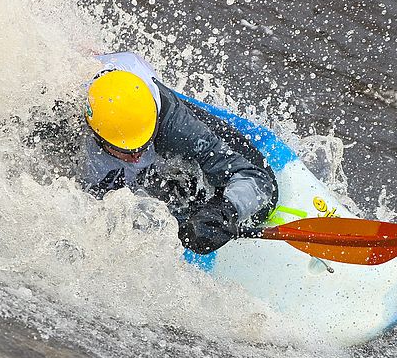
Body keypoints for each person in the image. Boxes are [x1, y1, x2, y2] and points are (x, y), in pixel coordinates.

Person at [80, 51, 277, 254]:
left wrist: (224, 210)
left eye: (143, 145)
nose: (136, 156)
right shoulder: (67, 115)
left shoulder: (176, 127)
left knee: (265, 202)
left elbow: (257, 179)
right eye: (127, 151)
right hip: (108, 126)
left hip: (166, 115)